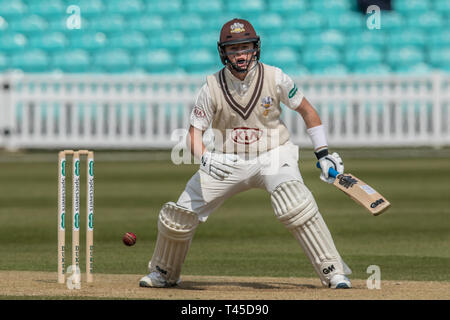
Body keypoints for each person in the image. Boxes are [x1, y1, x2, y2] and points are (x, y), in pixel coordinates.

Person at [139, 18, 352, 289]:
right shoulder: (211, 87)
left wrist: (323, 153)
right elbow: (194, 134)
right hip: (228, 159)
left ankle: (333, 271)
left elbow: (308, 112)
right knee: (178, 214)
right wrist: (206, 157)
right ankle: (163, 272)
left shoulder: (276, 77)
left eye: (245, 47)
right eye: (233, 49)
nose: (240, 54)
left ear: (256, 48)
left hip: (274, 154)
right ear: (223, 52)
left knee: (296, 204)